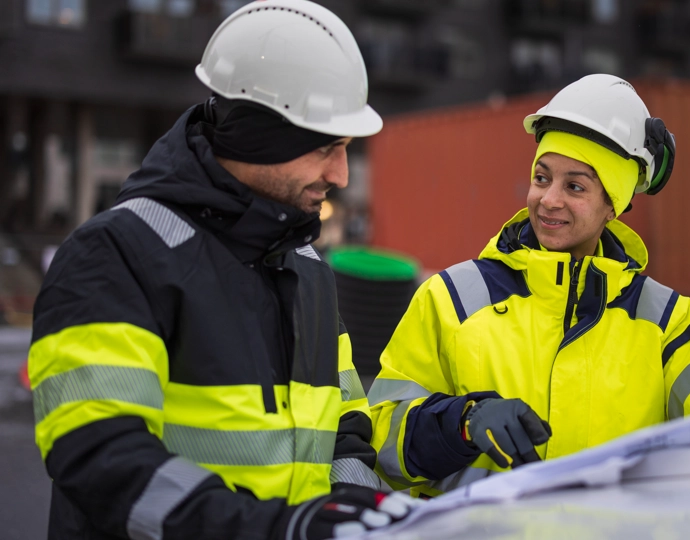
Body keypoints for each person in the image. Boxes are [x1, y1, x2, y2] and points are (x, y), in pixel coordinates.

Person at [27, 2, 420, 539]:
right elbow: (102, 458)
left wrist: (358, 514)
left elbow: (344, 430)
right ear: (260, 136)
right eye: (327, 149)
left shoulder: (308, 271)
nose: (341, 175)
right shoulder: (115, 255)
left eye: (347, 149)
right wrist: (278, 528)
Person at [368, 74, 690, 497]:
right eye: (542, 178)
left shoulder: (663, 321)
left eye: (575, 186)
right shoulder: (451, 299)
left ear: (613, 204)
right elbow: (382, 439)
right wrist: (462, 423)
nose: (548, 199)